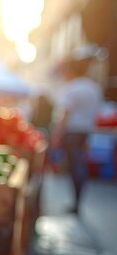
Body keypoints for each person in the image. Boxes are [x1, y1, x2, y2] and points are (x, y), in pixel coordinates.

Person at [51, 56, 104, 213]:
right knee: (79, 163)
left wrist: (56, 135)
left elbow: (65, 114)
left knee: (75, 165)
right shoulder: (94, 88)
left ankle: (76, 202)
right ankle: (78, 198)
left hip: (72, 132)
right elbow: (96, 113)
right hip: (86, 131)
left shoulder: (71, 88)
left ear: (71, 71)